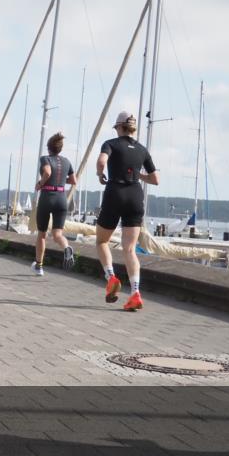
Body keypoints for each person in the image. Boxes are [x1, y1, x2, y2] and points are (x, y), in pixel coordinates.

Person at [95, 111, 160, 311]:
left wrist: (100, 174)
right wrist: (137, 175)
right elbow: (155, 179)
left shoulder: (111, 144)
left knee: (102, 241)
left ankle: (111, 277)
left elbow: (101, 161)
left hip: (115, 193)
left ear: (119, 127)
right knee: (130, 249)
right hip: (135, 196)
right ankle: (135, 293)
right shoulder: (142, 149)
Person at [31, 132, 78, 275]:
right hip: (61, 199)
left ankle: (39, 266)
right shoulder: (67, 161)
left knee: (42, 234)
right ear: (60, 148)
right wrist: (62, 179)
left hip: (47, 198)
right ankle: (66, 248)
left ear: (48, 147)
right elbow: (74, 181)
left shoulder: (45, 159)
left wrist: (40, 183)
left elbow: (47, 172)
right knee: (58, 234)